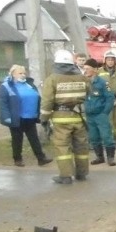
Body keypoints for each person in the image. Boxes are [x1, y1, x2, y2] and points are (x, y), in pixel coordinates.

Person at [40, 49, 90, 185]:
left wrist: (44, 118)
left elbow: (47, 101)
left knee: (62, 147)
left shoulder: (52, 79)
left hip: (61, 118)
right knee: (81, 146)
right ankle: (82, 173)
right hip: (79, 117)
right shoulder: (81, 77)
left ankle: (66, 176)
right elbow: (88, 92)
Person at [0, 64, 53, 167]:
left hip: (30, 117)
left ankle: (41, 158)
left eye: (24, 73)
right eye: (20, 73)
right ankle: (17, 159)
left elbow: (38, 98)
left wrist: (39, 113)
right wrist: (6, 117)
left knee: (34, 139)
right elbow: (2, 103)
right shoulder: (6, 86)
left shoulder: (29, 84)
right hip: (16, 118)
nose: (23, 75)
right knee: (17, 139)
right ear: (13, 74)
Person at [82, 59, 116, 167]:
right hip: (89, 115)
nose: (85, 71)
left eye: (87, 69)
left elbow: (110, 98)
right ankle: (99, 157)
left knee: (106, 136)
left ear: (95, 70)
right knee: (93, 137)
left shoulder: (102, 83)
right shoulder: (84, 82)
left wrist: (104, 113)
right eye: (84, 69)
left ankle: (110, 158)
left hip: (100, 114)